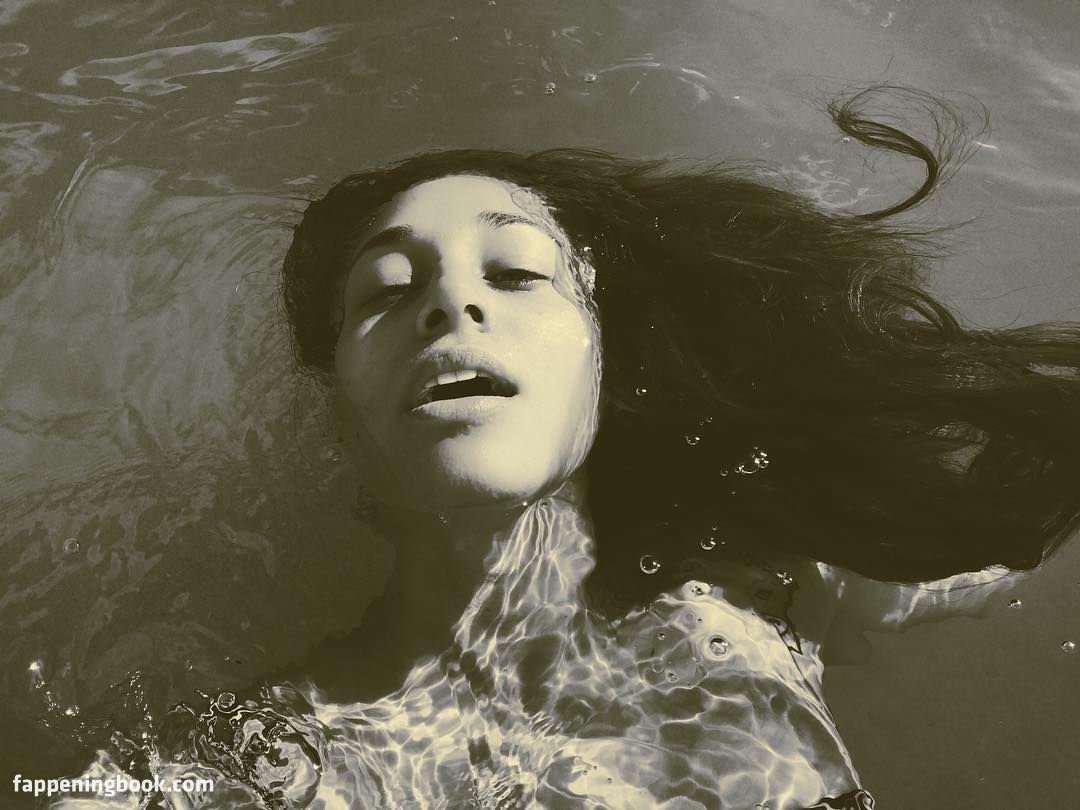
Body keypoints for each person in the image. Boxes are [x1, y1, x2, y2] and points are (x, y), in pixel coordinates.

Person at [56, 89, 1080, 808]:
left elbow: (980, 558)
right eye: (386, 290)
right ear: (342, 416)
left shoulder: (779, 568)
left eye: (515, 272)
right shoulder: (261, 764)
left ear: (605, 358)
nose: (451, 304)